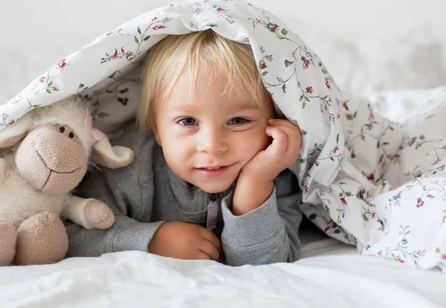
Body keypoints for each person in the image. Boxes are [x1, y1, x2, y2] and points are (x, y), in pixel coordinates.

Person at [66, 30, 304, 265]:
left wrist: (256, 182)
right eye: (188, 121)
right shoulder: (126, 166)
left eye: (238, 120)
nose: (212, 146)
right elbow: (70, 233)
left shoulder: (275, 175)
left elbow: (268, 262)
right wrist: (151, 240)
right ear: (156, 129)